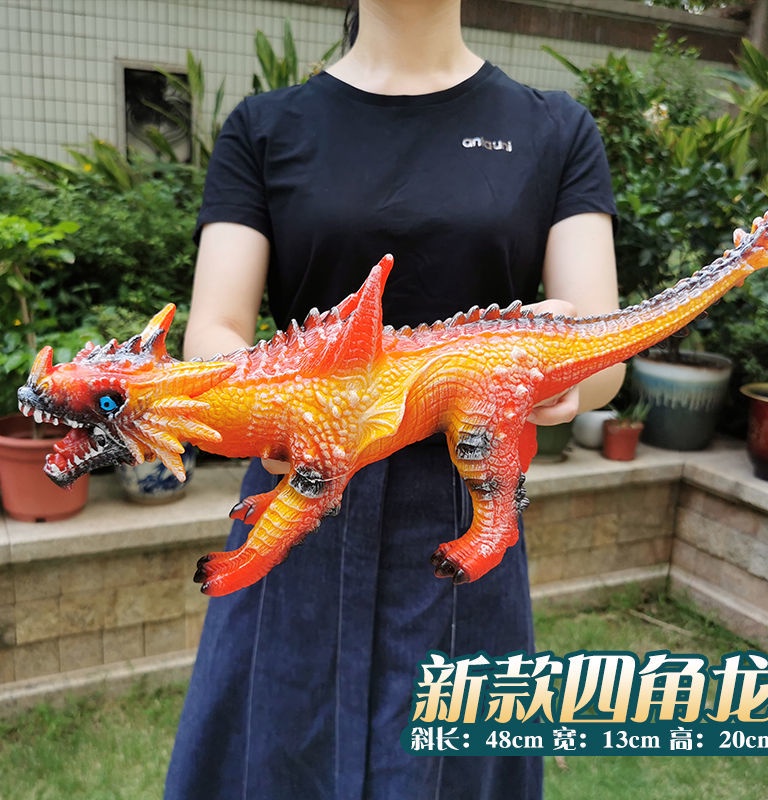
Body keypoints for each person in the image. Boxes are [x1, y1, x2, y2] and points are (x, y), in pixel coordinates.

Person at [164, 1, 624, 798]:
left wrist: (560, 376)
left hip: (463, 502)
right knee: (275, 760)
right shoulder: (264, 128)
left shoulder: (555, 129)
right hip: (302, 488)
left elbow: (602, 343)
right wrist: (269, 405)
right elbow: (214, 328)